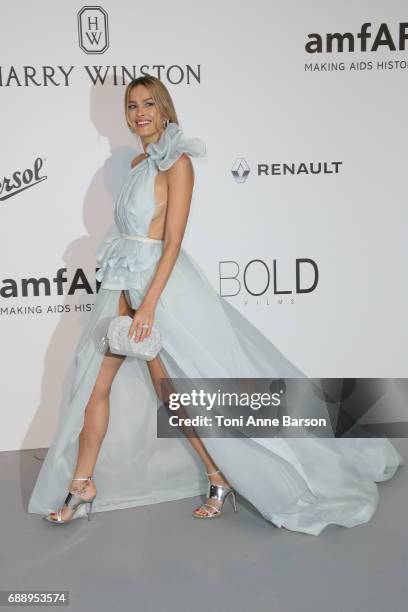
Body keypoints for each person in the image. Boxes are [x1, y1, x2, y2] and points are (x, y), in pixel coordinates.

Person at [28, 75, 403, 535]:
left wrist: (148, 306)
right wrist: (124, 291)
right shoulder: (136, 163)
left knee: (180, 394)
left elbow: (173, 241)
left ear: (164, 108)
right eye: (132, 106)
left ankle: (220, 475)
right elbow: (129, 233)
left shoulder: (178, 163)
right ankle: (81, 486)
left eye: (148, 103)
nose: (140, 112)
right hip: (121, 283)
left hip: (158, 290)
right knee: (92, 384)